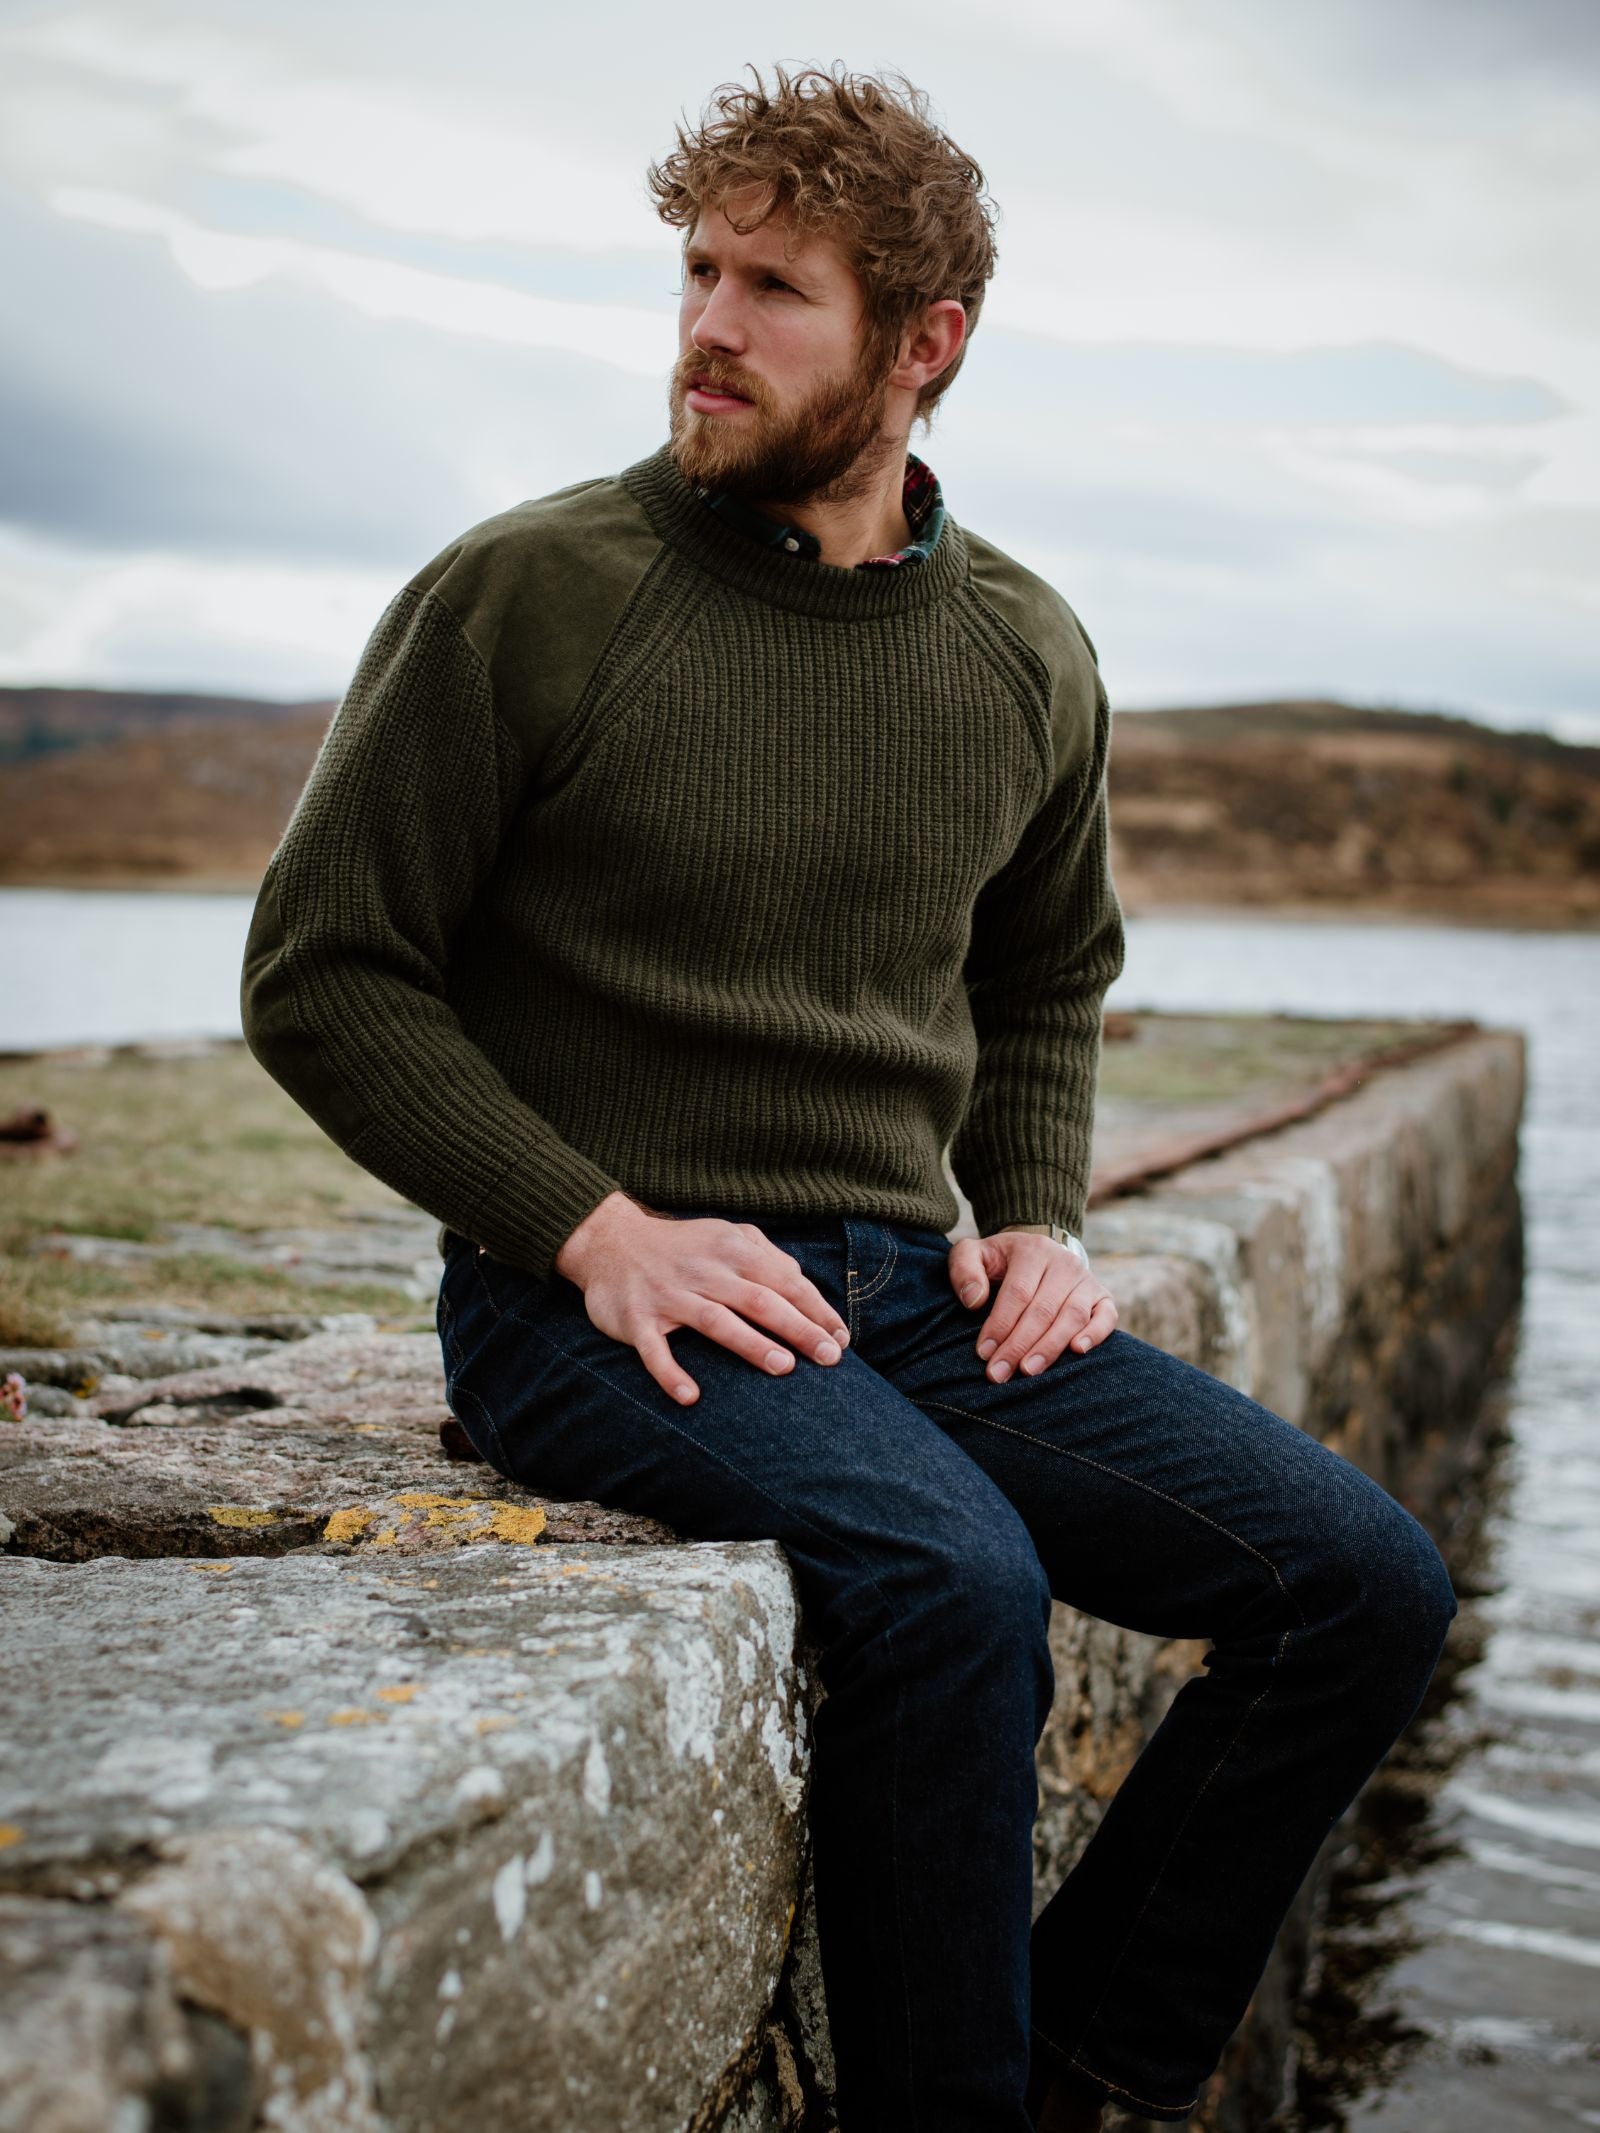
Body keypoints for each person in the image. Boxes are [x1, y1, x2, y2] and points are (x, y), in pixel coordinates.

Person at [240, 61, 1457, 2133]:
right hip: (594, 1301)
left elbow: (1046, 968)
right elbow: (325, 968)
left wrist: (1038, 1211)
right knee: (950, 1579)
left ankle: (1074, 2056)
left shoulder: (1020, 651)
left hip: (911, 1295)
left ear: (923, 346)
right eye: (696, 272)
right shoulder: (526, 595)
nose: (706, 326)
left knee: (1361, 1585)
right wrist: (590, 1225)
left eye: (772, 287)